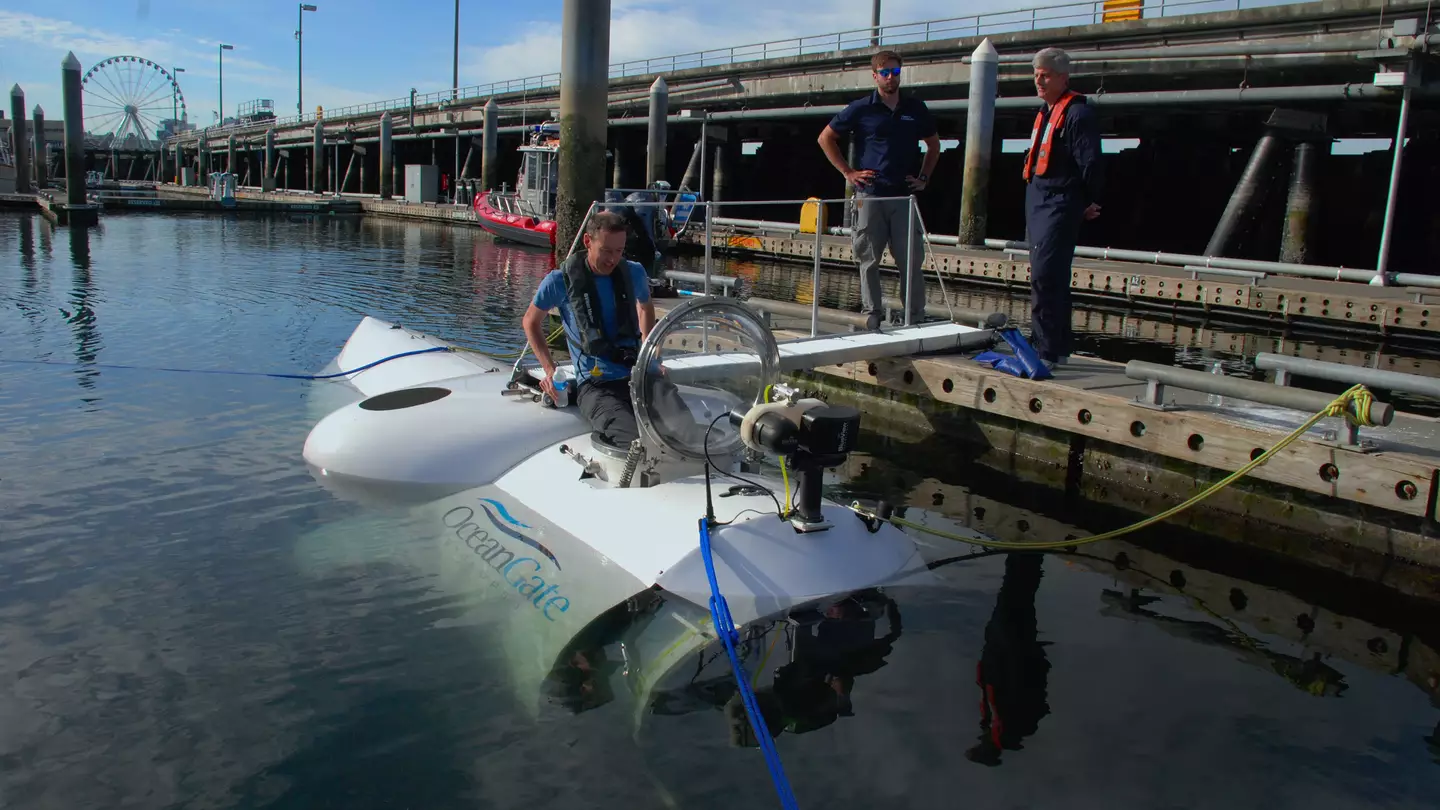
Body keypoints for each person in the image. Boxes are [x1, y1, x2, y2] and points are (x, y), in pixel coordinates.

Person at [818, 49, 941, 331]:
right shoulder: (861, 108)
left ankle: (914, 317)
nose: (890, 78)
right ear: (875, 76)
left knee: (910, 261)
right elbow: (825, 138)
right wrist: (848, 172)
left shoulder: (915, 109)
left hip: (903, 197)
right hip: (870, 194)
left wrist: (924, 177)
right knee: (869, 259)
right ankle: (871, 315)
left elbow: (934, 145)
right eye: (885, 73)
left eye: (895, 72)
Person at [522, 211, 657, 447]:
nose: (612, 259)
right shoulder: (559, 281)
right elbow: (530, 322)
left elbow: (645, 307)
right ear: (588, 241)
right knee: (635, 440)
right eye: (606, 250)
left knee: (679, 429)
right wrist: (550, 370)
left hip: (636, 376)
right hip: (596, 387)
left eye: (618, 251)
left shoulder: (634, 272)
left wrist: (651, 356)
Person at [1022, 46, 1104, 369]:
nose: (1039, 82)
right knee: (1046, 276)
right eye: (1036, 75)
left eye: (1045, 76)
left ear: (1063, 77)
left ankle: (1047, 350)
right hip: (1039, 203)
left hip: (1059, 203)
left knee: (1046, 275)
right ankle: (1054, 346)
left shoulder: (1077, 114)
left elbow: (1091, 162)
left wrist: (1087, 201)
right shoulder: (1044, 112)